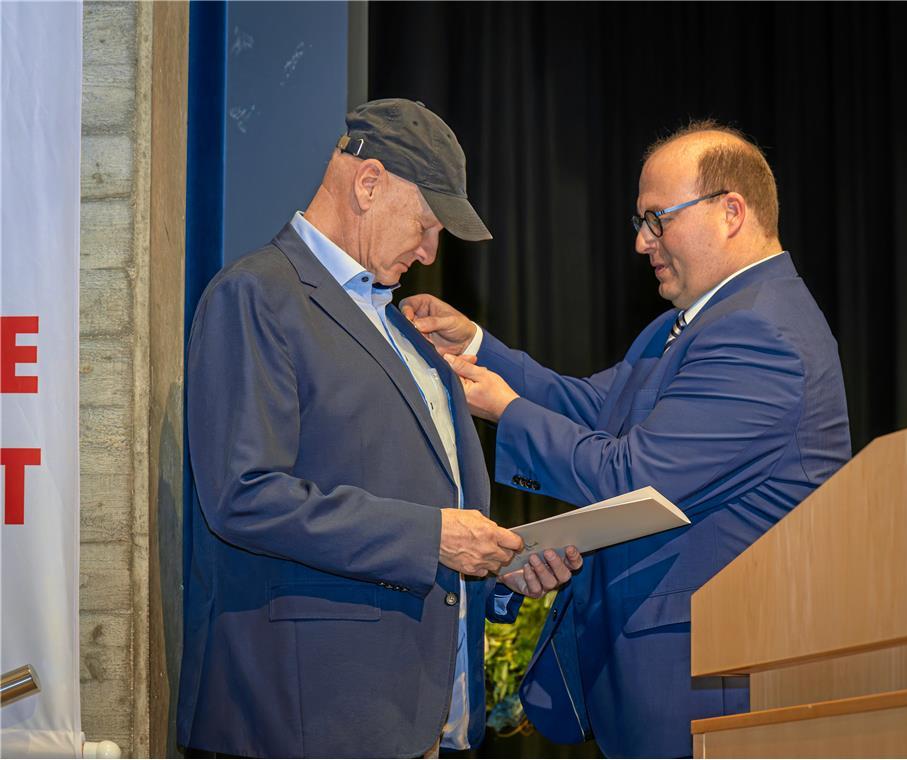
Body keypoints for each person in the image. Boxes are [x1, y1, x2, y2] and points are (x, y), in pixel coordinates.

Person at [401, 120, 852, 758]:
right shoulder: (690, 325)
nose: (643, 243)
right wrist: (476, 348)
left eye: (657, 219)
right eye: (641, 223)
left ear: (730, 212)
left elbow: (632, 476)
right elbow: (591, 407)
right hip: (670, 688)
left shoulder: (761, 335)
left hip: (716, 694)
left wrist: (500, 406)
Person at [177, 98, 579, 759]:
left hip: (417, 722)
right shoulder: (257, 294)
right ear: (368, 184)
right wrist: (435, 537)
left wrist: (496, 561)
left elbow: (421, 507)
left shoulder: (404, 331)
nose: (429, 251)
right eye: (426, 224)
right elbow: (242, 495)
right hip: (312, 723)